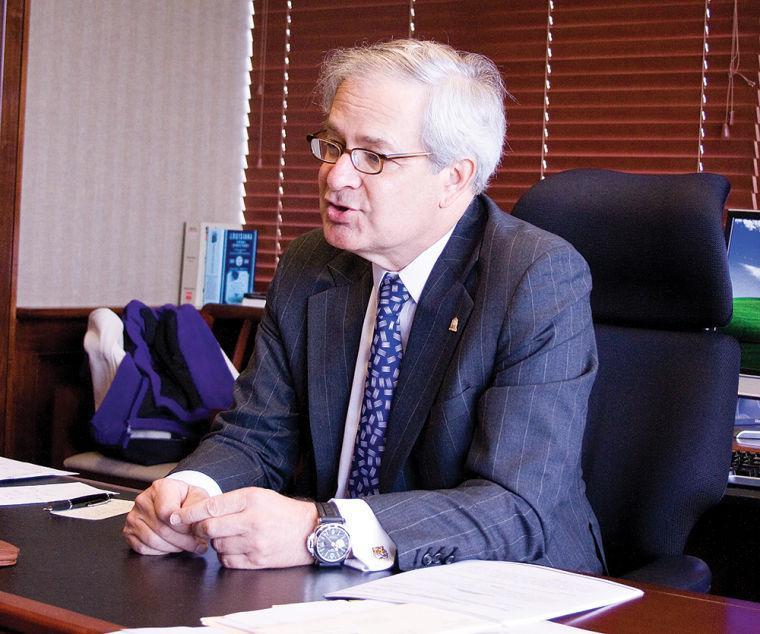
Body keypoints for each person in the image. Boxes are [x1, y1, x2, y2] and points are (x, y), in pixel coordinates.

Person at [123, 38, 605, 575]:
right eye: (332, 145)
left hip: (510, 584)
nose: (336, 176)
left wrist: (322, 530)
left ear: (454, 177)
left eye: (373, 156)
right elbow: (256, 433)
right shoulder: (312, 264)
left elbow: (516, 506)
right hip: (341, 586)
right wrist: (190, 494)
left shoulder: (533, 278)